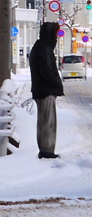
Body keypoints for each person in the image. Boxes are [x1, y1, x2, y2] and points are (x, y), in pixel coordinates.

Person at [29, 22, 63, 159]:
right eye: (56, 33)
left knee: (43, 121)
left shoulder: (39, 46)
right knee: (48, 121)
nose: (57, 36)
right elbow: (47, 71)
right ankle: (47, 150)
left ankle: (44, 149)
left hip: (40, 89)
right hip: (46, 90)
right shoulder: (45, 49)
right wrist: (57, 85)